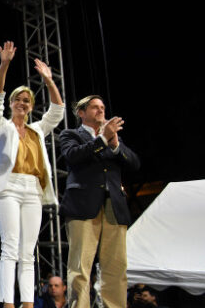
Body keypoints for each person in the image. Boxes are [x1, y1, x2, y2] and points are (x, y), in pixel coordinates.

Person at [0, 41, 64, 308]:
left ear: (31, 106)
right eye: (18, 99)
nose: (22, 103)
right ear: (12, 103)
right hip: (8, 187)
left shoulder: (37, 131)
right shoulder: (3, 124)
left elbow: (57, 111)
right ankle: (9, 303)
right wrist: (5, 64)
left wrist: (48, 81)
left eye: (27, 100)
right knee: (9, 248)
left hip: (33, 189)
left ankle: (28, 303)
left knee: (28, 253)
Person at [59, 95, 140, 308]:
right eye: (95, 107)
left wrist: (115, 146)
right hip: (82, 207)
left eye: (103, 107)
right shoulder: (70, 135)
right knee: (80, 268)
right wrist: (102, 140)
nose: (101, 110)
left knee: (115, 267)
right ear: (81, 113)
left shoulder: (114, 138)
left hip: (114, 206)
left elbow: (134, 163)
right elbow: (73, 156)